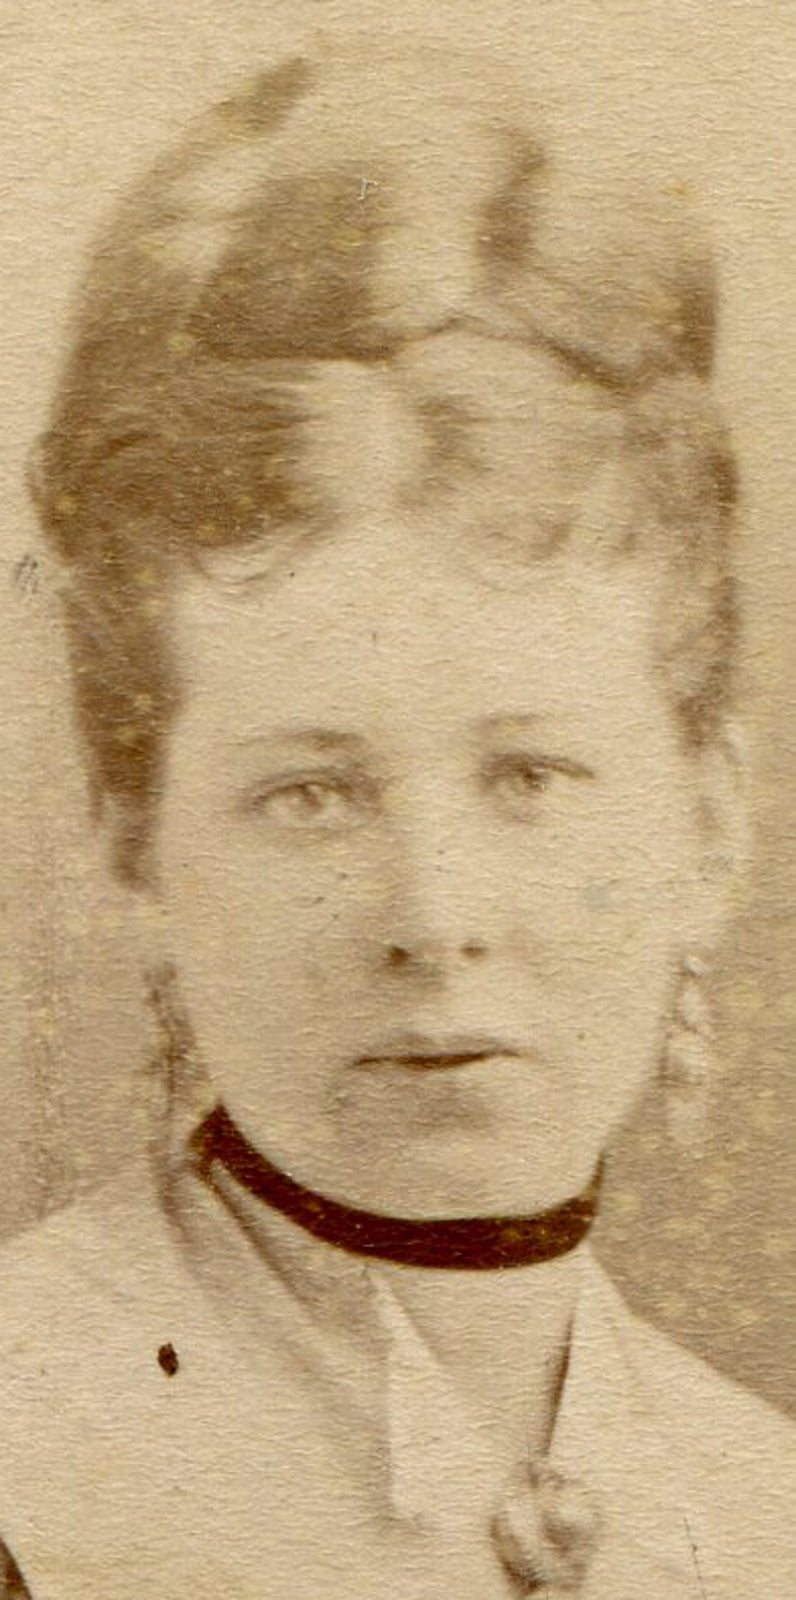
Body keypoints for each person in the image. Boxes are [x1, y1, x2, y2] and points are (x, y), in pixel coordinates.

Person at [0, 39, 794, 1599]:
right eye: (310, 793)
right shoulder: (33, 1455)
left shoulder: (760, 1503)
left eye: (531, 777)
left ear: (709, 817)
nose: (433, 913)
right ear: (131, 834)